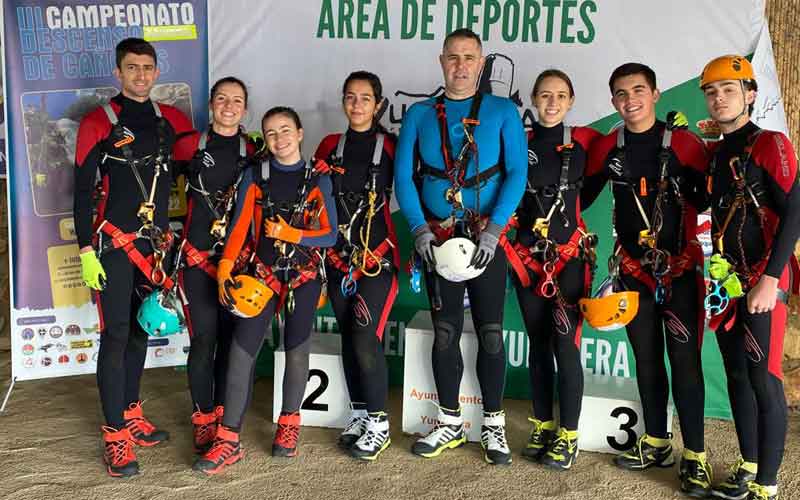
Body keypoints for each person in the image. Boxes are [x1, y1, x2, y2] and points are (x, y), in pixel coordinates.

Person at [394, 28, 527, 465]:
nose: (461, 66)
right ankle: (448, 422)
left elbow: (516, 174)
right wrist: (419, 230)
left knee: (490, 333)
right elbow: (404, 178)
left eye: (469, 57)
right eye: (453, 57)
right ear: (441, 61)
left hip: (486, 240)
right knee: (446, 332)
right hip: (439, 238)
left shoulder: (503, 111)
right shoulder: (417, 115)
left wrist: (493, 232)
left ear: (482, 62)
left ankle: (493, 425)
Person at [582, 63, 711, 496]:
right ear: (612, 100)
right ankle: (656, 441)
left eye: (639, 90)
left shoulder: (684, 145)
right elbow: (577, 197)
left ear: (656, 94)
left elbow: (712, 194)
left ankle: (696, 456)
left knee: (686, 364)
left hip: (679, 272)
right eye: (620, 93)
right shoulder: (607, 148)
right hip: (635, 274)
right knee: (647, 360)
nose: (630, 99)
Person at [192, 106, 337, 474]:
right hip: (262, 275)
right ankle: (227, 440)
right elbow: (239, 227)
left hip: (303, 275)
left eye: (286, 130)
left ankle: (289, 424)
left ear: (301, 133)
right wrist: (224, 270)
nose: (279, 139)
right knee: (241, 352)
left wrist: (292, 234)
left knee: (296, 347)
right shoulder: (255, 176)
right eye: (270, 133)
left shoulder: (318, 179)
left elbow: (330, 234)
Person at [74, 37, 194, 477]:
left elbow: (199, 166)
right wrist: (86, 249)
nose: (141, 75)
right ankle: (115, 437)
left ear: (157, 71)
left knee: (141, 330)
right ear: (118, 72)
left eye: (147, 67)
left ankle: (130, 413)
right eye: (132, 68)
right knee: (118, 334)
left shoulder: (173, 121)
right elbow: (83, 191)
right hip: (112, 247)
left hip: (154, 248)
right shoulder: (98, 123)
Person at [699, 55, 800, 500]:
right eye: (712, 91)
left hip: (763, 282)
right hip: (728, 284)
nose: (719, 97)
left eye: (729, 89)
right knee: (737, 375)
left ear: (751, 94)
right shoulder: (716, 154)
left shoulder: (770, 143)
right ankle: (749, 465)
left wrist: (772, 279)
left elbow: (796, 208)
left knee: (765, 378)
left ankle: (767, 485)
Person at [504, 69, 599, 470]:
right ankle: (543, 423)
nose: (552, 102)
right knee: (538, 345)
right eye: (544, 95)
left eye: (561, 95)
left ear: (572, 100)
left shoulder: (586, 143)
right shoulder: (518, 143)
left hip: (568, 262)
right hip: (527, 262)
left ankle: (569, 434)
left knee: (565, 345)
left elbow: (595, 187)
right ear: (532, 99)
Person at [314, 71, 398, 460]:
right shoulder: (330, 145)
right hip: (338, 259)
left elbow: (416, 193)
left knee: (366, 335)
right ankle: (362, 412)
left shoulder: (393, 147)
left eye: (366, 98)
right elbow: (311, 200)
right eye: (350, 97)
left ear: (378, 105)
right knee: (350, 335)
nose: (358, 105)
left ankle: (379, 423)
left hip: (377, 258)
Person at [172, 77, 255, 454]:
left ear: (246, 109)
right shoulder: (189, 145)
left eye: (237, 100)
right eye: (222, 98)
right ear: (211, 104)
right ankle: (203, 416)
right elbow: (157, 192)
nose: (229, 105)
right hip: (197, 259)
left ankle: (223, 411)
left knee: (232, 342)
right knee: (204, 340)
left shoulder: (254, 150)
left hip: (237, 263)